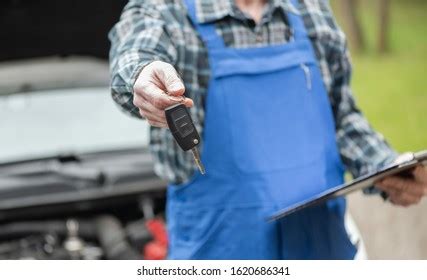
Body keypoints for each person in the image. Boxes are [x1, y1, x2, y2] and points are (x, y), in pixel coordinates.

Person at [109, 0, 427, 259]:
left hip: (322, 250)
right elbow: (136, 49)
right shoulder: (168, 10)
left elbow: (342, 117)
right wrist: (142, 75)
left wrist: (387, 168)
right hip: (221, 251)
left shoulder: (311, 11)